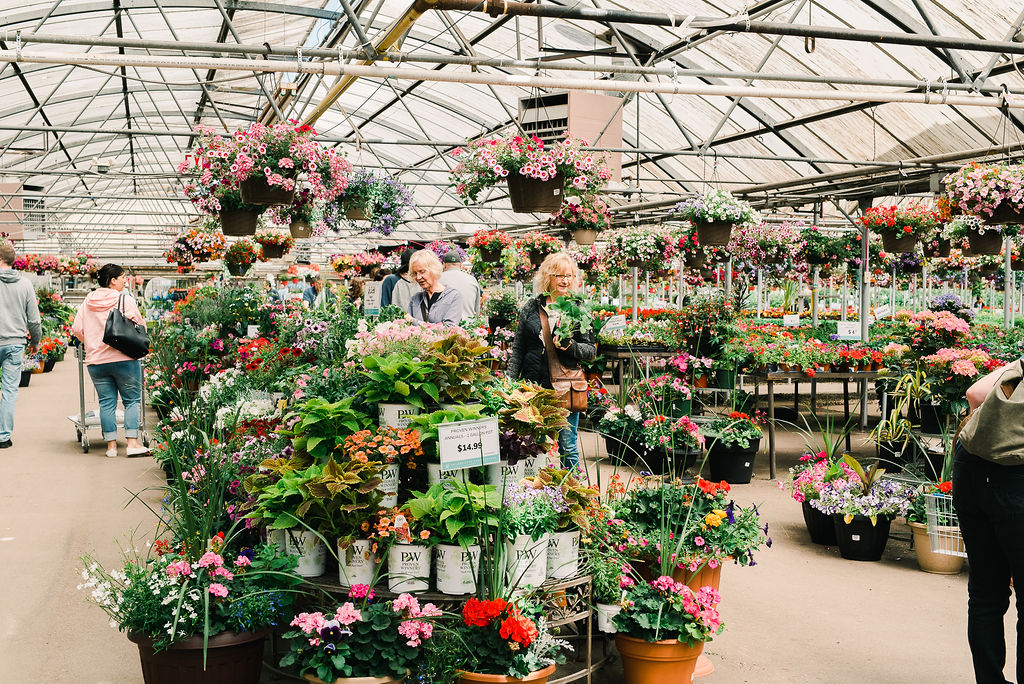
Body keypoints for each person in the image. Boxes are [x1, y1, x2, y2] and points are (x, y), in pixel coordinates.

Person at [954, 363, 1024, 684]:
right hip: (1017, 482)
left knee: (985, 592)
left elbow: (975, 393)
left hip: (970, 471)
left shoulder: (1019, 366)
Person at [506, 252, 596, 470]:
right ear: (548, 277)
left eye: (570, 276)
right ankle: (535, 490)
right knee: (531, 440)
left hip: (564, 387)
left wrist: (571, 347)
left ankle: (574, 491)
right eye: (559, 275)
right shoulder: (531, 307)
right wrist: (509, 381)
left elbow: (590, 351)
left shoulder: (578, 309)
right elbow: (519, 347)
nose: (565, 281)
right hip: (533, 384)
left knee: (567, 443)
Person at [71, 263, 147, 458]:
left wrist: (93, 342)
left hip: (96, 362)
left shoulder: (87, 301)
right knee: (131, 400)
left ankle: (111, 447)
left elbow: (77, 330)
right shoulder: (124, 299)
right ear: (112, 280)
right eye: (122, 277)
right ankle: (132, 443)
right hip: (124, 359)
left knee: (107, 403)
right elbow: (140, 325)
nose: (124, 281)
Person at [0, 241, 40, 448]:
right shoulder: (25, 284)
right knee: (9, 390)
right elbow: (34, 320)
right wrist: (36, 342)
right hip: (15, 344)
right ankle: (3, 437)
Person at [407, 250, 464, 326]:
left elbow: (449, 329)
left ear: (434, 270)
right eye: (415, 273)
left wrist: (414, 322)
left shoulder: (453, 296)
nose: (418, 277)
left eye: (422, 271)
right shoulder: (416, 299)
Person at [439, 250, 482, 322]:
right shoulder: (472, 280)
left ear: (444, 264)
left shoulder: (437, 279)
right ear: (460, 264)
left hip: (444, 328)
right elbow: (477, 309)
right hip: (467, 326)